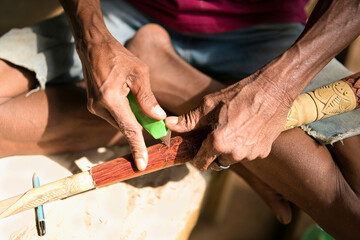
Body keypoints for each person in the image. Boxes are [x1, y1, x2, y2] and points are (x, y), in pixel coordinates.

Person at [0, 0, 359, 238]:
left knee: (348, 208)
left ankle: (172, 79)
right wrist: (91, 38)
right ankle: (173, 89)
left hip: (268, 34)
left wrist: (273, 92)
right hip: (122, 14)